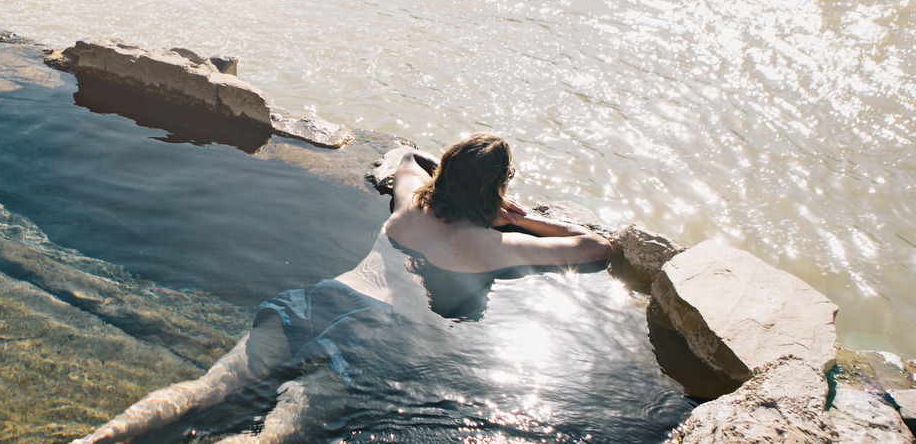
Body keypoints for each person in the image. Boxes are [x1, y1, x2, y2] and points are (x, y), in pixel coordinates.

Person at [68, 132, 611, 444]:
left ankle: (94, 441)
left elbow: (402, 161)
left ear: (445, 171)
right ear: (496, 190)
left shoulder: (410, 208)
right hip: (372, 335)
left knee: (208, 387)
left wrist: (431, 172)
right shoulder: (494, 245)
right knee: (274, 434)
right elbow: (595, 248)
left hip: (319, 298)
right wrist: (520, 219)